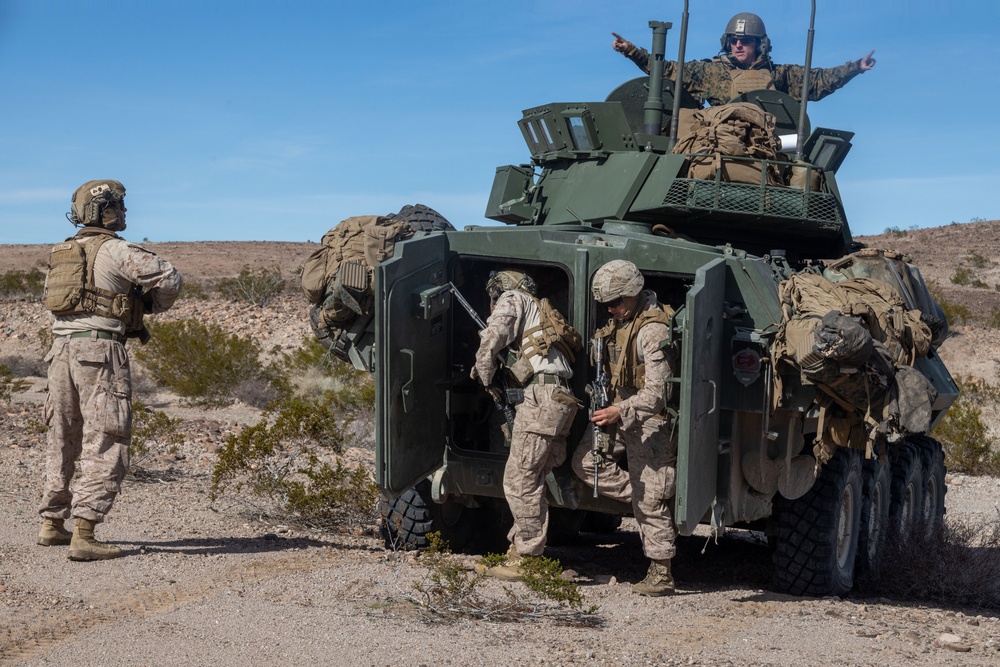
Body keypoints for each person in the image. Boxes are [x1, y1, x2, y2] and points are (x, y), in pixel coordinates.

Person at [37, 180, 182, 561]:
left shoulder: (61, 253)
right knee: (106, 437)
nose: (125, 213)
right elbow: (169, 278)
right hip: (101, 350)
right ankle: (84, 534)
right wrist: (150, 306)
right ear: (106, 211)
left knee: (62, 435)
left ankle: (52, 523)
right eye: (120, 207)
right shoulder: (117, 250)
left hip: (60, 351)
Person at [571, 260, 679, 596]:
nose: (611, 309)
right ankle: (645, 498)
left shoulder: (652, 330)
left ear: (632, 295)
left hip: (647, 420)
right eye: (606, 304)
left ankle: (661, 572)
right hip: (618, 411)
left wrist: (621, 409)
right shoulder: (620, 322)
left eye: (616, 302)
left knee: (650, 495)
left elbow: (658, 394)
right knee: (586, 463)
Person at [470, 270, 581, 580]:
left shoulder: (512, 299)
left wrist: (484, 370)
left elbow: (493, 337)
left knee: (519, 480)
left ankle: (529, 558)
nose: (492, 303)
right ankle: (520, 549)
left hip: (541, 398)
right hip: (557, 399)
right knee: (530, 479)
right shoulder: (540, 312)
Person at [612, 12, 876, 108]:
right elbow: (667, 70)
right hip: (720, 143)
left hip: (765, 146)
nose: (738, 45)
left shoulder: (780, 74)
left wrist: (855, 68)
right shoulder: (710, 72)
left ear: (760, 44)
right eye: (734, 40)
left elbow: (818, 82)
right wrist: (632, 51)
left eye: (746, 40)